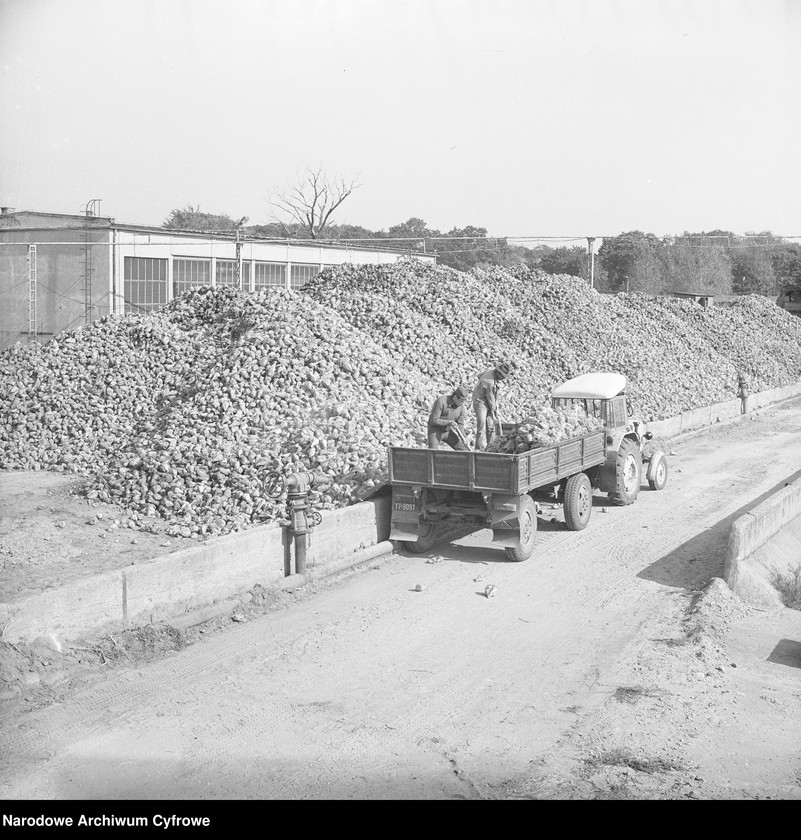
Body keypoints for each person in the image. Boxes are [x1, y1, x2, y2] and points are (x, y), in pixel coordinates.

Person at [473, 361, 511, 450]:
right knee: (481, 425)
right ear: (498, 373)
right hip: (480, 401)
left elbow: (479, 375)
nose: (504, 379)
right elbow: (490, 398)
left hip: (488, 399)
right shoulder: (489, 381)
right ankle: (478, 448)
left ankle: (491, 448)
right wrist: (495, 411)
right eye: (503, 376)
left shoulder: (490, 372)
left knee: (491, 426)